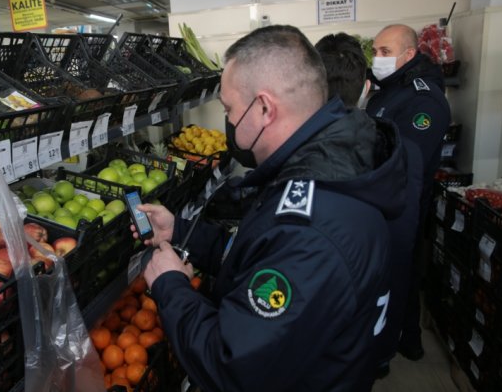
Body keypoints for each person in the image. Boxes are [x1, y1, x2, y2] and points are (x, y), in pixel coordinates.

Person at [133, 25, 408, 391]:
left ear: (263, 108)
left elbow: (230, 368)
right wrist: (182, 233)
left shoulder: (311, 229)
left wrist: (170, 285)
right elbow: (259, 253)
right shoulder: (322, 172)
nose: (227, 121)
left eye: (229, 109)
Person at [315, 32, 424, 378]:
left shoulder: (303, 153)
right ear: (365, 87)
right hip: (376, 322)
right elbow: (401, 245)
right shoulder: (404, 151)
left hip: (322, 334)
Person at [366, 24, 452, 360]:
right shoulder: (388, 89)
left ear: (410, 54)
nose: (377, 58)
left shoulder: (423, 99)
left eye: (385, 52)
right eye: (375, 51)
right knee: (396, 276)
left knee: (401, 275)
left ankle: (397, 343)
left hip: (404, 207)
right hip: (382, 203)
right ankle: (407, 338)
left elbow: (405, 163)